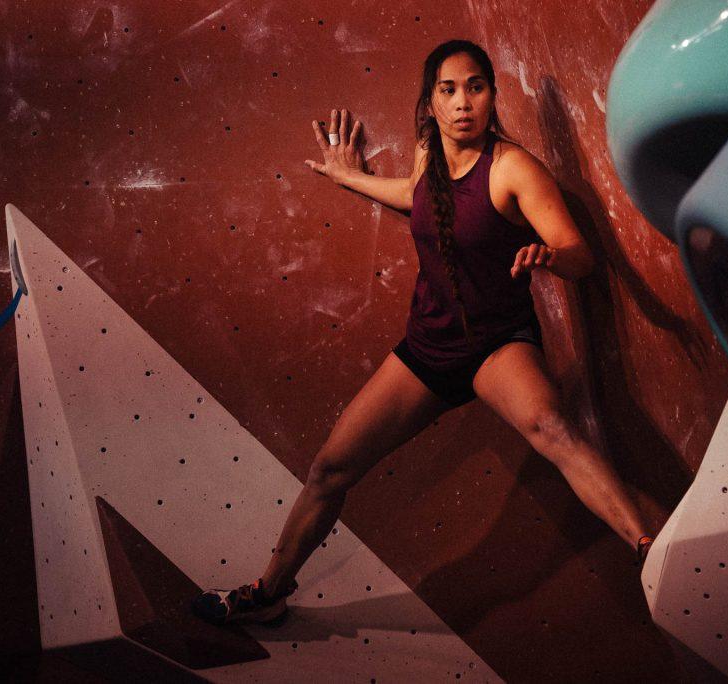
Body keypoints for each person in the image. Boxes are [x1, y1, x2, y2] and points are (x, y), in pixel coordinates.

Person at [192, 39, 654, 627]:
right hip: (428, 347)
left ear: (492, 96)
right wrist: (349, 178)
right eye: (449, 90)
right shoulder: (429, 151)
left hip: (497, 345)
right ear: (431, 102)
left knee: (552, 428)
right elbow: (416, 199)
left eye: (476, 88)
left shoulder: (512, 169)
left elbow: (579, 255)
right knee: (330, 470)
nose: (463, 103)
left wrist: (550, 257)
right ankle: (268, 593)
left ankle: (650, 549)